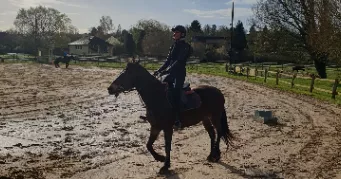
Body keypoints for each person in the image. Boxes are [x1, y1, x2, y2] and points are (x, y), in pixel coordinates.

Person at [153, 25, 192, 129]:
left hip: (179, 74)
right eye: (174, 32)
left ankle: (178, 119)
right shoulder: (173, 46)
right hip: (170, 73)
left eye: (176, 32)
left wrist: (168, 70)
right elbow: (168, 61)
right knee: (160, 89)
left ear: (182, 34)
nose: (174, 34)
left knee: (175, 93)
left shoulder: (186, 47)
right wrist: (159, 70)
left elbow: (178, 62)